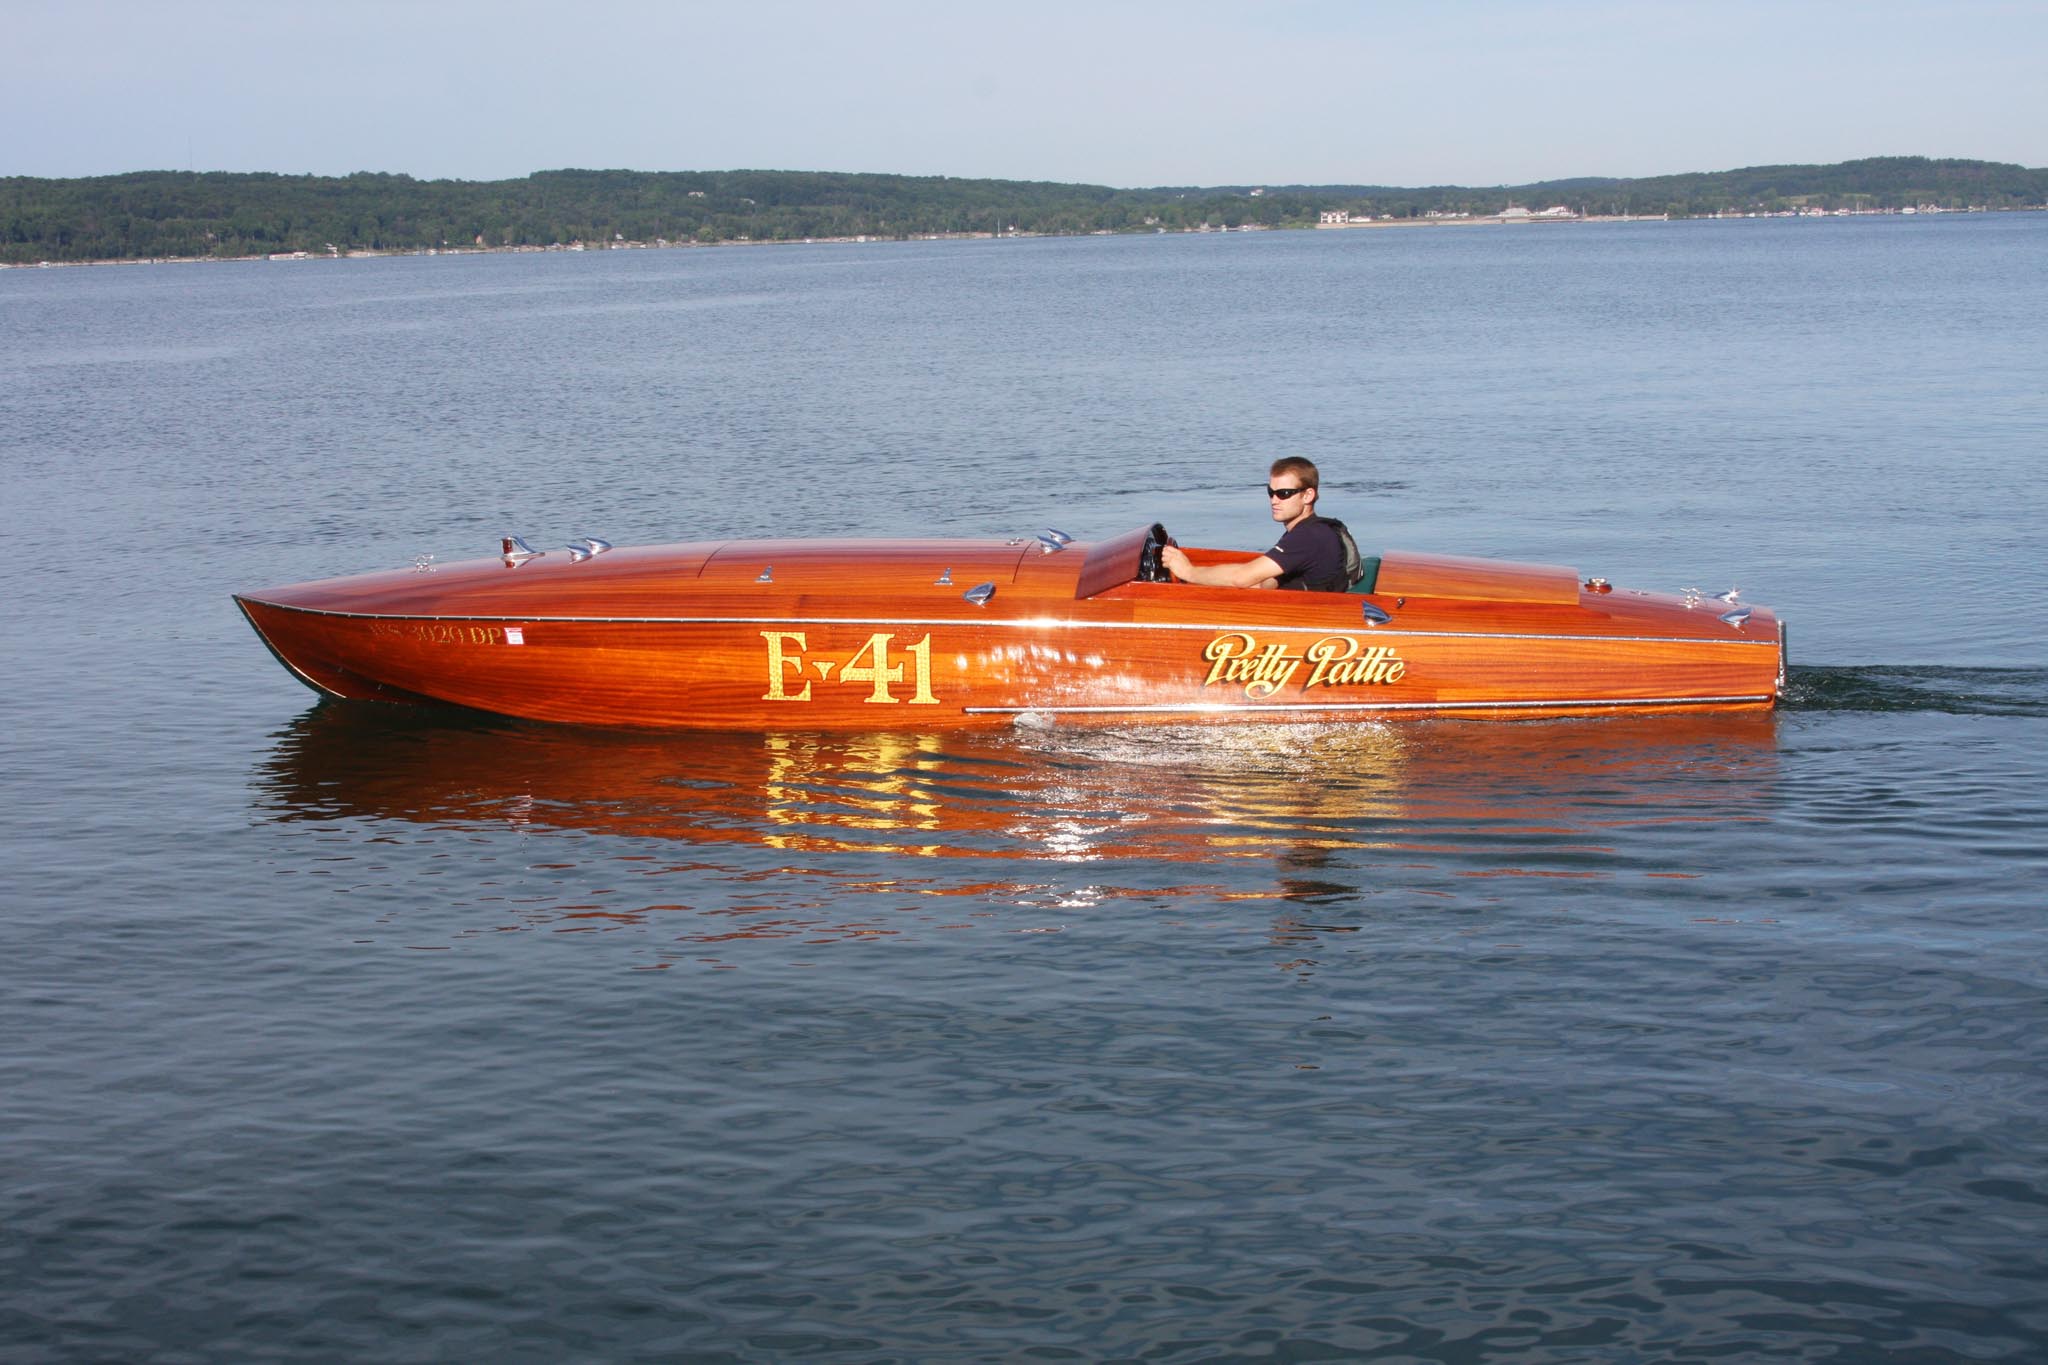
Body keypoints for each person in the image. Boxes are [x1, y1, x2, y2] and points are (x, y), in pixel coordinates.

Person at [1160, 457, 1351, 591]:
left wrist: (1189, 572)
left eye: (1283, 493)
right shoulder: (1310, 532)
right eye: (1271, 492)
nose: (1274, 500)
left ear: (1308, 495)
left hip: (1310, 620)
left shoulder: (1308, 537)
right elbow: (1262, 582)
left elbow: (1241, 578)